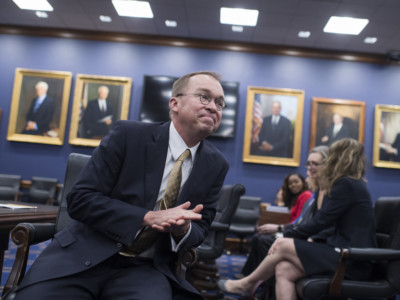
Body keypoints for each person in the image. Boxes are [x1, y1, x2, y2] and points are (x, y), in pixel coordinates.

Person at [14, 71, 230, 300]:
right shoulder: (129, 135)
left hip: (146, 267)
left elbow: (201, 228)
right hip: (82, 254)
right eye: (204, 97)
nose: (213, 107)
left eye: (219, 102)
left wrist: (182, 229)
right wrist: (146, 217)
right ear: (174, 103)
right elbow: (80, 199)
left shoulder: (216, 165)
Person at [218, 138, 376, 299]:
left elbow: (320, 222)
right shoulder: (351, 184)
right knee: (283, 269)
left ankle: (247, 283)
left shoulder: (346, 184)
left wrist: (286, 237)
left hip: (352, 260)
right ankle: (247, 283)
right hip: (344, 254)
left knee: (284, 245)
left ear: (338, 158)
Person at [241, 146, 330, 277]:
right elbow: (301, 221)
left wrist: (281, 229)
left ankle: (251, 281)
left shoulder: (310, 195)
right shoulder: (315, 194)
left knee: (265, 242)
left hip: (311, 239)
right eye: (308, 164)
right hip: (300, 232)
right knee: (262, 240)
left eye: (315, 164)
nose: (310, 170)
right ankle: (254, 282)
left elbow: (307, 222)